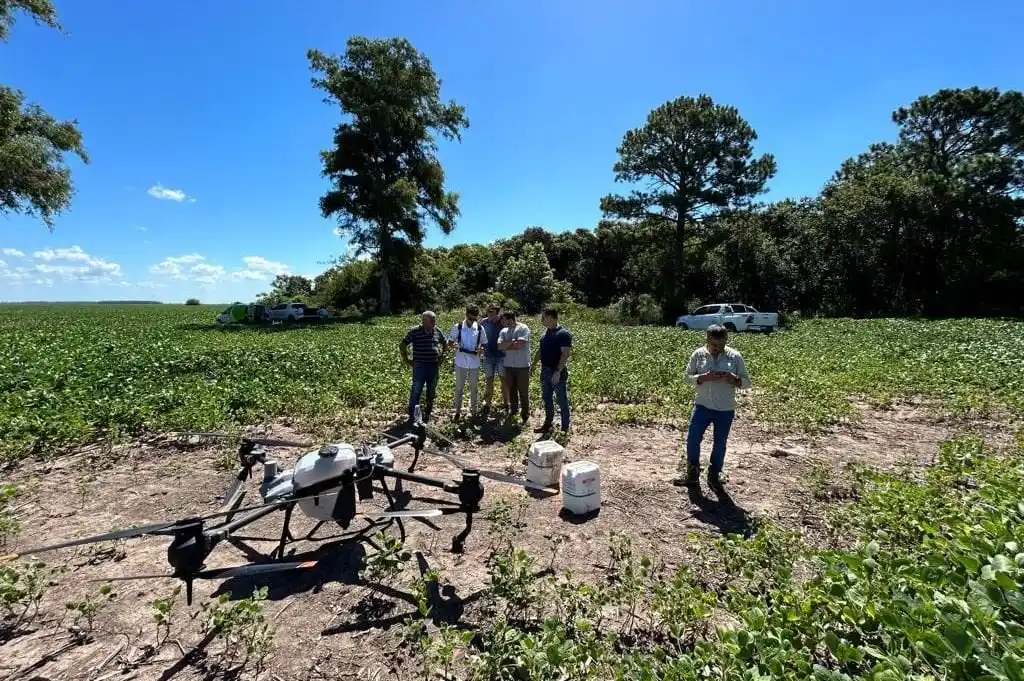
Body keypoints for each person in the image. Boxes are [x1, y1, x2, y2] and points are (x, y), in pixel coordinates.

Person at [677, 324, 751, 487]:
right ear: (707, 339)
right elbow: (686, 377)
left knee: (720, 443)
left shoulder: (735, 357)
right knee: (693, 439)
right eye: (713, 344)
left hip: (725, 409)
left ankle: (715, 474)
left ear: (726, 340)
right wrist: (703, 377)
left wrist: (734, 379)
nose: (716, 348)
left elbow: (747, 383)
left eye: (721, 344)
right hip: (702, 406)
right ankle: (692, 473)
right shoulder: (698, 354)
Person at [399, 311, 447, 423]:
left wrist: (442, 356)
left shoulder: (437, 331)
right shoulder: (415, 331)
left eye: (435, 320)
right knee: (416, 390)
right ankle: (412, 415)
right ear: (424, 321)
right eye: (432, 320)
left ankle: (428, 412)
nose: (434, 322)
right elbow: (402, 345)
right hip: (420, 366)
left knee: (431, 390)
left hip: (433, 366)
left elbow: (444, 343)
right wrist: (406, 360)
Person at [533, 307, 572, 433]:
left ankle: (564, 429)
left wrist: (558, 372)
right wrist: (533, 364)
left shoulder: (563, 334)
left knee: (561, 400)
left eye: (543, 317)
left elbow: (565, 354)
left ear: (551, 317)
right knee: (547, 398)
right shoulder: (545, 333)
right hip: (545, 371)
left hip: (556, 371)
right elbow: (540, 351)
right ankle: (547, 425)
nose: (541, 320)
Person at [447, 305, 486, 420]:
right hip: (460, 362)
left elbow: (484, 343)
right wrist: (453, 345)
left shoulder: (479, 328)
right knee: (459, 387)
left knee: (474, 388)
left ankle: (473, 411)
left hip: (474, 363)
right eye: (471, 317)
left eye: (475, 317)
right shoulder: (458, 327)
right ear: (467, 314)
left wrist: (481, 348)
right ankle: (457, 411)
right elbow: (450, 342)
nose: (473, 320)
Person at [497, 311, 531, 424]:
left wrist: (507, 346)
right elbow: (499, 346)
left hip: (522, 366)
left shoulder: (523, 328)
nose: (502, 322)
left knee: (523, 391)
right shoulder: (503, 331)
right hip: (508, 366)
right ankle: (514, 411)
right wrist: (512, 342)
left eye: (503, 320)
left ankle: (525, 414)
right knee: (511, 390)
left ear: (510, 319)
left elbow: (521, 345)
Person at [479, 304, 509, 413]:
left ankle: (506, 403)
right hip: (488, 356)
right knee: (489, 380)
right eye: (488, 312)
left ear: (498, 313)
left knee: (503, 380)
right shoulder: (483, 322)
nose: (489, 314)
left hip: (502, 356)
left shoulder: (503, 322)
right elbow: (480, 337)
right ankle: (487, 404)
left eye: (492, 312)